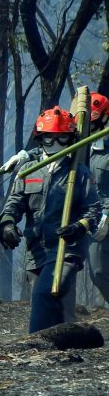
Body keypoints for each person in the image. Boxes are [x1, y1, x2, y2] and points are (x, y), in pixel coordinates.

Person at [0, 106, 104, 333]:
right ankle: (72, 343)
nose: (54, 144)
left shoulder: (79, 173)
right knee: (56, 304)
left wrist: (79, 226)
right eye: (48, 137)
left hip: (67, 249)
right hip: (36, 250)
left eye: (61, 137)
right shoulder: (28, 171)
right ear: (39, 137)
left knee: (43, 293)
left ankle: (35, 343)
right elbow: (14, 203)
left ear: (71, 138)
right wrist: (7, 224)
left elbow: (93, 210)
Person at [86, 93, 109, 304]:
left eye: (93, 123)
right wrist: (26, 156)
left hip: (106, 217)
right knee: (98, 272)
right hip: (92, 219)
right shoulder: (81, 144)